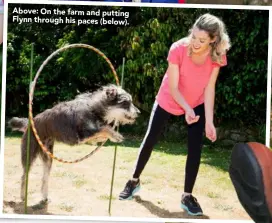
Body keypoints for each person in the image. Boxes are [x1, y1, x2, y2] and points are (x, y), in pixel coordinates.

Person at [119, 13, 231, 216]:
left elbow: (209, 88)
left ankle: (187, 196)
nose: (195, 43)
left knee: (195, 148)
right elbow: (173, 87)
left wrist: (209, 122)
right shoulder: (178, 48)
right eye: (194, 36)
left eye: (202, 40)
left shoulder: (218, 55)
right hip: (169, 98)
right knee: (150, 139)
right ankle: (133, 181)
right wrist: (186, 108)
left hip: (197, 101)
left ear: (213, 40)